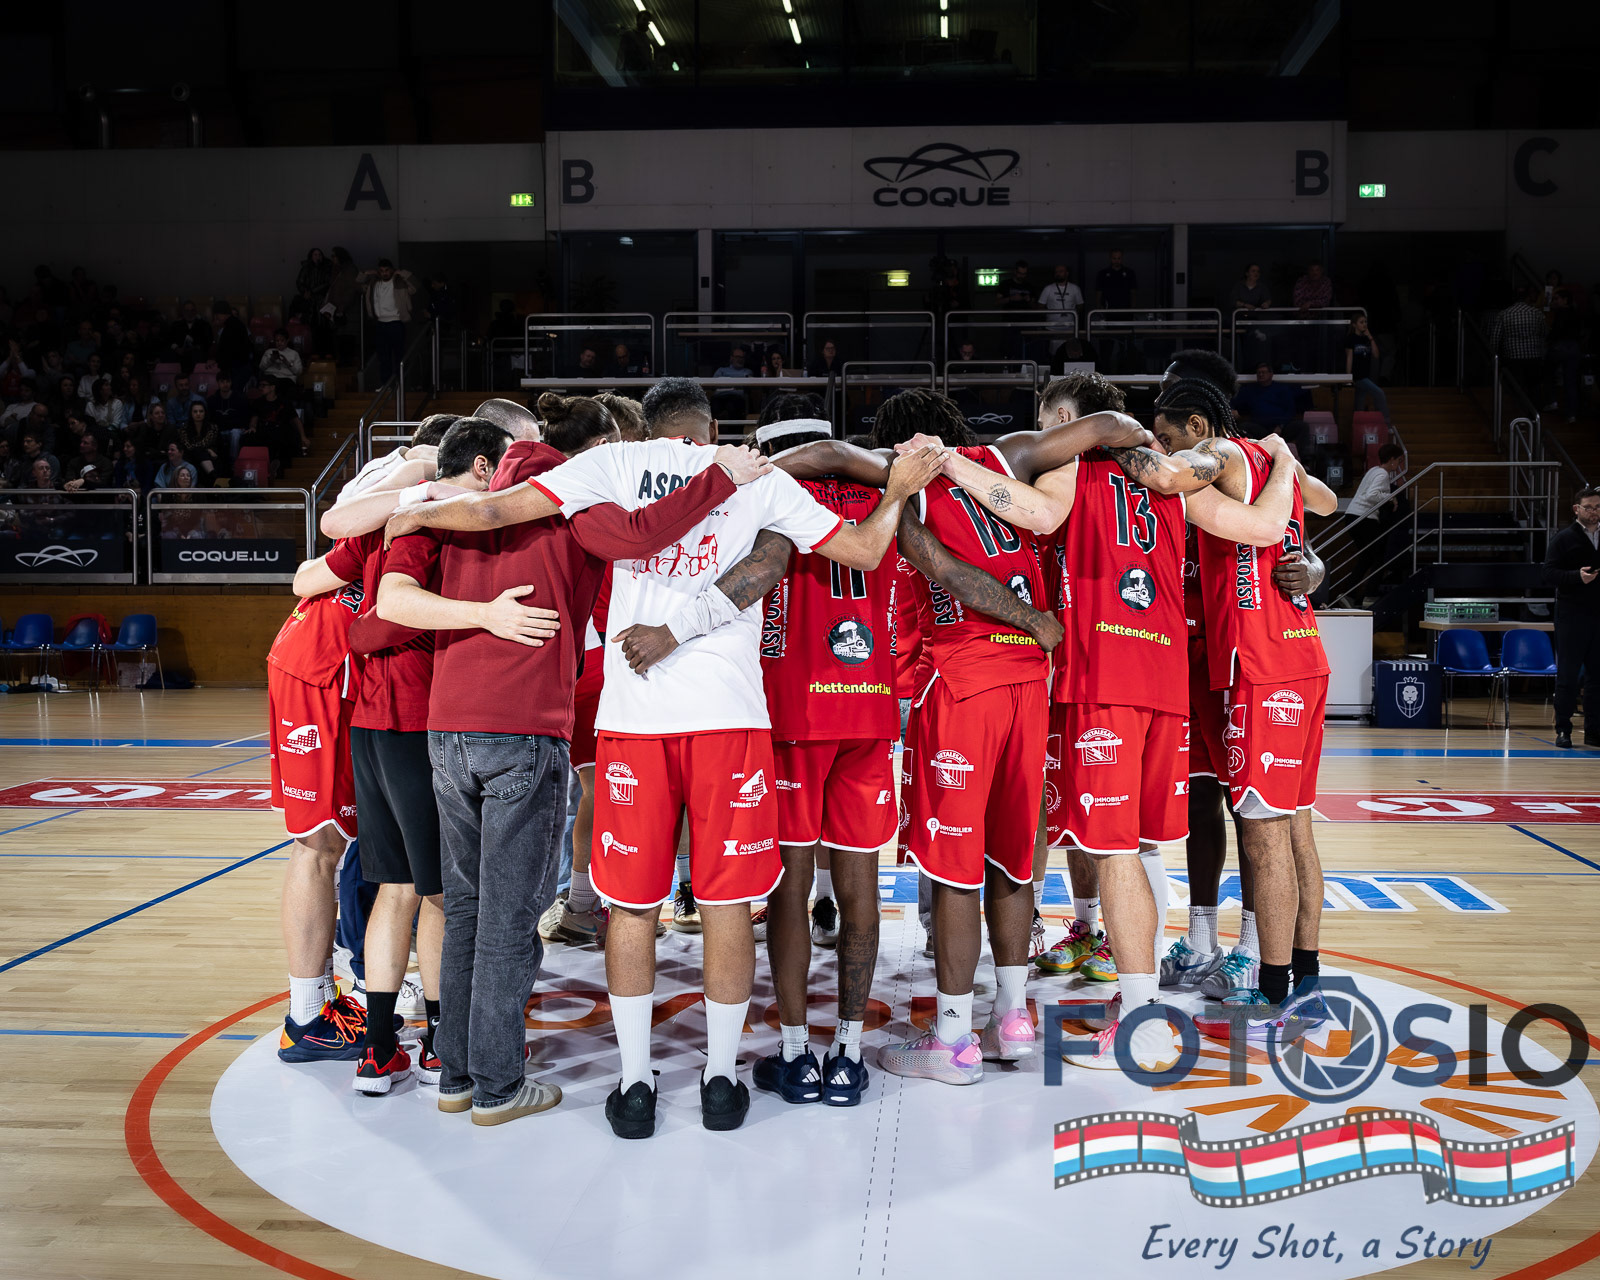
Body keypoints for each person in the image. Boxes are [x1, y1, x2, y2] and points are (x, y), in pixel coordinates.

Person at [387, 376, 943, 1136]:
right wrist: (899, 489)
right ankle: (721, 1081)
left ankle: (634, 1085)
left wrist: (414, 511)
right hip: (728, 718)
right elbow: (867, 550)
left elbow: (489, 511)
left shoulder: (611, 466)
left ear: (646, 428)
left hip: (635, 719)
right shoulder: (757, 475)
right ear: (708, 428)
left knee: (632, 906)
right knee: (724, 905)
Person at [378, 392, 777, 1127]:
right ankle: (497, 1086)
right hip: (525, 725)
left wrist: (422, 510)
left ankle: (455, 1076)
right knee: (509, 919)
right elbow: (639, 535)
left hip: (446, 726)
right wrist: (719, 476)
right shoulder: (571, 500)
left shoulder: (444, 506)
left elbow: (383, 600)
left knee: (464, 909)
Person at [905, 375, 1298, 1069]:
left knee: (1110, 850)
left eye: (1047, 422)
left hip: (1101, 676)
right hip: (1165, 677)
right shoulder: (1167, 474)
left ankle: (1142, 1018)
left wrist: (951, 463)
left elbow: (1035, 515)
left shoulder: (1074, 467)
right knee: (1139, 849)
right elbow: (1267, 529)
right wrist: (1287, 464)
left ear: (1066, 420)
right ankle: (1133, 995)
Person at [1110, 378, 1339, 1037]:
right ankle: (1304, 982)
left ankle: (1272, 990)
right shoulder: (1268, 459)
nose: (1163, 448)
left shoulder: (1224, 456)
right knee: (1291, 827)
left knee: (1265, 833)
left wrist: (1112, 440)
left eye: (1169, 435)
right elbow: (1322, 501)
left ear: (1197, 427)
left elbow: (1177, 475)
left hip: (1259, 664)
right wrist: (1287, 462)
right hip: (1290, 654)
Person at [292, 418, 514, 1096]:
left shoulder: (386, 516)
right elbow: (379, 619)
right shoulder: (442, 520)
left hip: (371, 718)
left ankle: (380, 1050)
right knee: (440, 892)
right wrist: (482, 613)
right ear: (482, 465)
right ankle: (442, 1046)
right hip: (417, 722)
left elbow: (326, 562)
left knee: (396, 888)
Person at [266, 534, 374, 1066]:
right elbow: (314, 561)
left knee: (338, 842)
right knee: (320, 846)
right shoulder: (411, 496)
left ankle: (328, 998)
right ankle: (307, 1019)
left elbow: (308, 572)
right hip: (324, 668)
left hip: (314, 656)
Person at [1544, 486, 1600, 749]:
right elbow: (1548, 574)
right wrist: (1576, 577)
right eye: (1588, 507)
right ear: (1577, 509)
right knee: (1567, 676)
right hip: (1572, 616)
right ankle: (1563, 729)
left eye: (1597, 507)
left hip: (1598, 616)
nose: (1594, 512)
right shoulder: (1564, 538)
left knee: (1597, 678)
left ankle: (1594, 731)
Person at [1346, 443, 1407, 593]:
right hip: (1364, 518)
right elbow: (1372, 495)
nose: (1399, 464)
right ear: (1391, 459)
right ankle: (1367, 593)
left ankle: (1350, 593)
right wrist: (1391, 497)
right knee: (1378, 556)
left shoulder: (1373, 470)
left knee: (1368, 556)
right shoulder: (1383, 474)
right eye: (1398, 460)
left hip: (1353, 516)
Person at [359, 259, 418, 384]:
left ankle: (401, 383)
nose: (384, 273)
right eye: (381, 271)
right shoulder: (374, 282)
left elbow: (415, 286)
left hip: (396, 322)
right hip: (380, 323)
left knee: (399, 355)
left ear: (392, 270)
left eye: (387, 270)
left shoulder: (399, 282)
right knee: (383, 356)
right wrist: (366, 273)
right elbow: (358, 284)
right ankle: (386, 384)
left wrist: (401, 272)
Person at [1232, 362, 1309, 451]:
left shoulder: (1281, 389)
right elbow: (1235, 401)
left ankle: (1304, 457)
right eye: (1259, 373)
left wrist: (1281, 425)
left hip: (1280, 428)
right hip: (1260, 428)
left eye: (1263, 372)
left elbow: (1290, 410)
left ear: (1271, 374)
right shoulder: (1250, 390)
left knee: (1302, 426)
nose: (1261, 375)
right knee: (1243, 427)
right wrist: (1233, 409)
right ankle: (1249, 454)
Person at [1343, 314, 1391, 427]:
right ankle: (1386, 424)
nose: (1364, 324)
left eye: (1365, 322)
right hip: (1358, 376)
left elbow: (1376, 355)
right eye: (1361, 322)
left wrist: (1370, 337)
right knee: (1379, 393)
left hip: (1366, 375)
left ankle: (1356, 428)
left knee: (1359, 405)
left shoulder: (1366, 339)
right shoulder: (1351, 338)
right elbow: (1349, 357)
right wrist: (1348, 376)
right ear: (1354, 325)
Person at [1038, 264, 1083, 349]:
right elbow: (1040, 306)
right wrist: (1049, 316)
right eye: (1056, 272)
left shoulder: (1075, 288)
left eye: (1061, 271)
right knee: (1052, 353)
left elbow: (1080, 306)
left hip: (1070, 328)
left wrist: (1072, 316)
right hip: (1052, 328)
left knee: (1069, 352)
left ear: (1067, 273)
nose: (1058, 274)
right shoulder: (1048, 289)